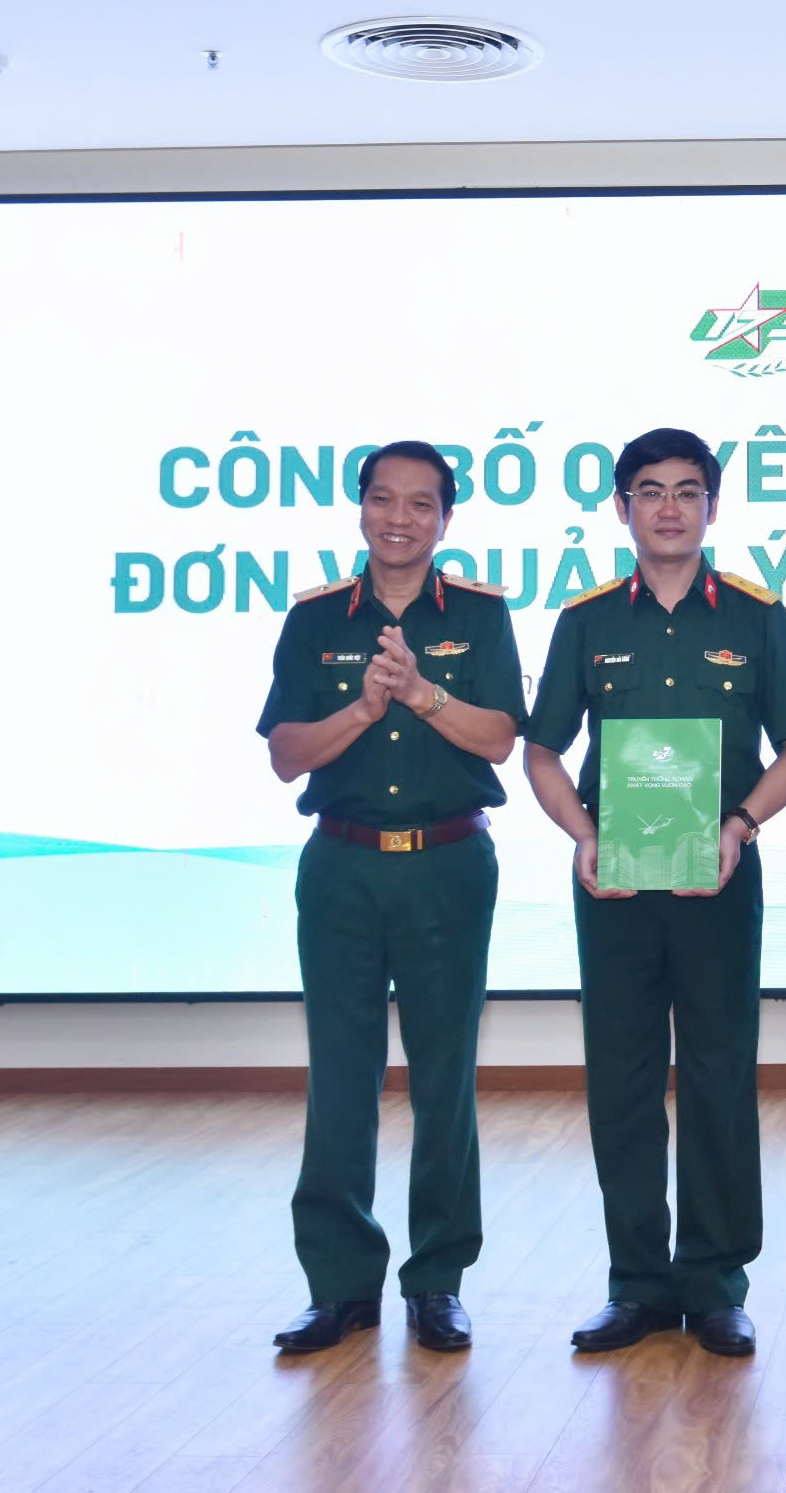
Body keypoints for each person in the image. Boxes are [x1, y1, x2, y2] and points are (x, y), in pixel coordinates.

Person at [523, 427, 786, 1358]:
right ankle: (637, 1284)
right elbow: (542, 750)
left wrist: (741, 825)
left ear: (713, 507)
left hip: (718, 878)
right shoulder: (587, 620)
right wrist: (584, 834)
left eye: (688, 491)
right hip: (612, 883)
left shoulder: (756, 616)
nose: (668, 508)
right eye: (649, 491)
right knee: (621, 1079)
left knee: (719, 1075)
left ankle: (716, 1283)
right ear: (622, 508)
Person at [256, 440, 525, 1354]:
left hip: (449, 865)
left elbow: (499, 739)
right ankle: (339, 1286)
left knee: (445, 1077)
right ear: (361, 508)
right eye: (383, 500)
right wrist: (363, 711)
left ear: (446, 518)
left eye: (420, 504)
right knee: (341, 1076)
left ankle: (437, 1282)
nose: (399, 519)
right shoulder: (315, 618)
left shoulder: (480, 615)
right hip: (343, 866)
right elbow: (286, 753)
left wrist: (418, 693)